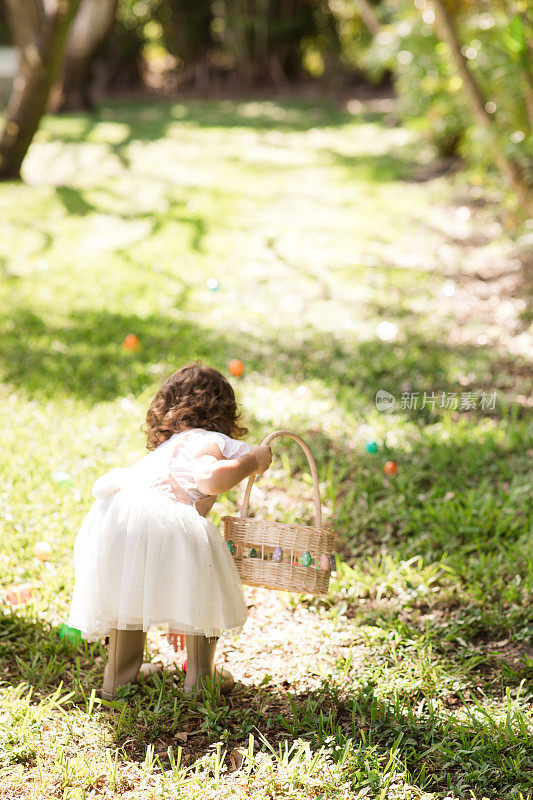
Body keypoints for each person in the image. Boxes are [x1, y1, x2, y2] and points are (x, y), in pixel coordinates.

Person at [67, 362, 272, 700]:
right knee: (205, 586)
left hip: (117, 519)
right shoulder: (209, 441)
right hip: (163, 517)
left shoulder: (167, 448)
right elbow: (209, 479)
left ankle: (119, 679)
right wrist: (251, 461)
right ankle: (200, 680)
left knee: (127, 594)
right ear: (224, 411)